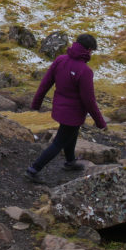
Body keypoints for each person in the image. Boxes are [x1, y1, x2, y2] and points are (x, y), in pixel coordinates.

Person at [25, 33, 107, 180]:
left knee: (72, 133)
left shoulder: (60, 60)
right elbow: (89, 100)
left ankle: (70, 162)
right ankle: (33, 169)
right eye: (92, 51)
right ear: (88, 50)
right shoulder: (85, 71)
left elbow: (45, 83)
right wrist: (100, 122)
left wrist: (36, 103)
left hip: (59, 108)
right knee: (59, 142)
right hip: (73, 114)